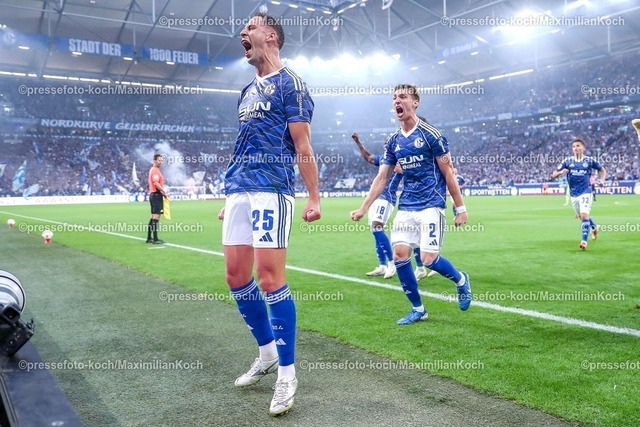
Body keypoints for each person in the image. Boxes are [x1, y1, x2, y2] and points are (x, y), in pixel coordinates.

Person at [219, 13, 320, 416]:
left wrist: (313, 197)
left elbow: (303, 144)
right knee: (235, 276)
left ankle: (288, 375)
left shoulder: (291, 84)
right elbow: (243, 142)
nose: (242, 32)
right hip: (240, 190)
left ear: (271, 35)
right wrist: (231, 193)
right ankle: (266, 354)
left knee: (269, 277)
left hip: (272, 190)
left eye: (251, 27)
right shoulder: (246, 91)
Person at [350, 84, 472, 325]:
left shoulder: (431, 135)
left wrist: (460, 208)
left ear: (415, 103)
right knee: (399, 256)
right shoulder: (393, 141)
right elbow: (382, 178)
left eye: (403, 97)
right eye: (394, 97)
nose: (397, 101)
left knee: (428, 259)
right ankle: (418, 309)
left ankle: (461, 280)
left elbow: (448, 171)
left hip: (431, 204)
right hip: (406, 206)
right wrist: (363, 208)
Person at [351, 132, 400, 279]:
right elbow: (369, 157)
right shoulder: (384, 158)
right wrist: (358, 143)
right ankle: (382, 266)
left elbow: (400, 170)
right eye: (385, 144)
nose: (386, 146)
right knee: (375, 230)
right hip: (376, 198)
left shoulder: (399, 158)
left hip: (387, 197)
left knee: (377, 226)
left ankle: (392, 263)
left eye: (388, 144)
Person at [550, 138, 606, 250]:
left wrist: (602, 180)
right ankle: (595, 227)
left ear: (583, 148)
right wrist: (561, 172)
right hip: (573, 194)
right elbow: (553, 175)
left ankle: (584, 241)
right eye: (574, 146)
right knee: (582, 217)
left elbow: (602, 170)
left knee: (584, 216)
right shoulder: (567, 161)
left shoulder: (589, 161)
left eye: (578, 146)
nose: (576, 148)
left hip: (586, 191)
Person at [147, 154, 167, 244]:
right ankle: (155, 239)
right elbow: (156, 183)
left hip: (154, 195)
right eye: (159, 160)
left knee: (153, 217)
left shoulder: (154, 170)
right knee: (156, 217)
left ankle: (149, 238)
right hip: (156, 195)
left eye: (162, 160)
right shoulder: (155, 170)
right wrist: (163, 191)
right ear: (154, 160)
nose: (161, 162)